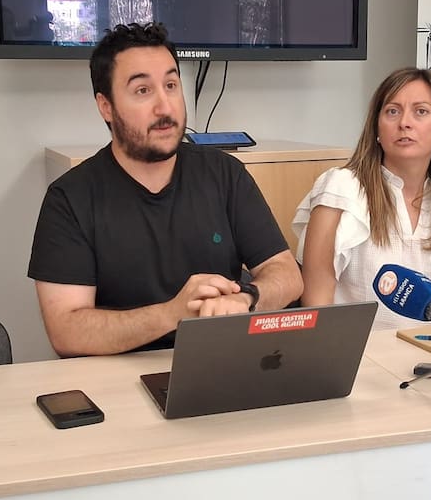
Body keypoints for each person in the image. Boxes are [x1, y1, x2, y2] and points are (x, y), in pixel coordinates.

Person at [29, 21, 302, 356]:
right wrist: (172, 314)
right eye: (143, 90)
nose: (165, 106)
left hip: (218, 362)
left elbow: (287, 275)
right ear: (106, 106)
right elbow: (66, 331)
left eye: (171, 85)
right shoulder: (70, 199)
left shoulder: (224, 173)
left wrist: (247, 298)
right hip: (116, 374)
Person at [294, 67, 431, 330]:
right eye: (392, 111)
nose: (404, 123)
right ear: (377, 127)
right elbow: (317, 303)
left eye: (420, 111)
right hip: (365, 353)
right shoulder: (341, 189)